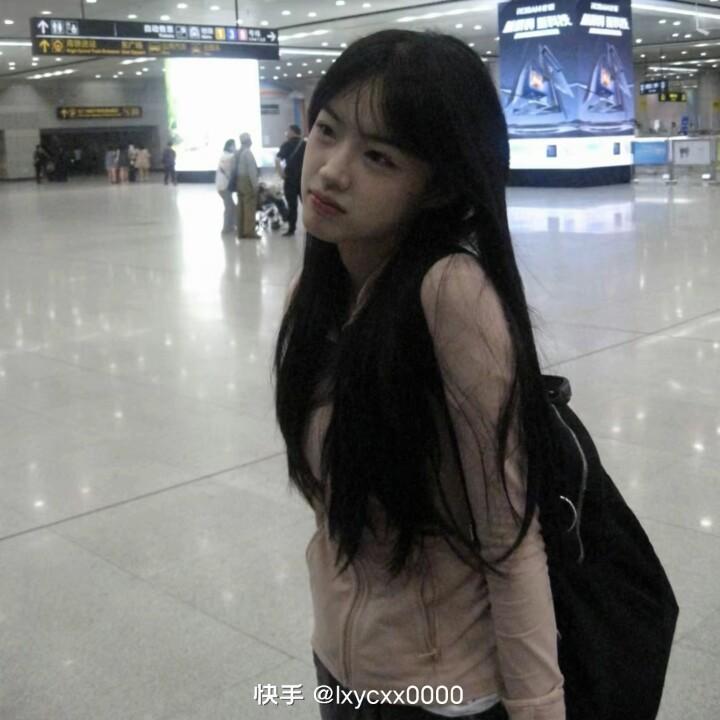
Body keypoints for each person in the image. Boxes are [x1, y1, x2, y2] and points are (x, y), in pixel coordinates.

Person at [274, 30, 565, 720]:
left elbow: (508, 537)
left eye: (378, 156)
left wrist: (539, 707)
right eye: (326, 130)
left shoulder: (449, 293)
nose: (330, 171)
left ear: (436, 188)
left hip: (441, 694)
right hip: (341, 669)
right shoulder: (316, 296)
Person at [275, 124, 306, 236]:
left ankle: (291, 229)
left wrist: (281, 173)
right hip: (303, 179)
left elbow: (277, 159)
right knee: (307, 205)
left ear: (292, 132)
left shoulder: (286, 145)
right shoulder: (305, 144)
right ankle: (312, 229)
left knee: (292, 206)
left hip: (290, 179)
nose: (286, 133)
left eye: (287, 131)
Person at [235, 132, 260, 239]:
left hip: (239, 181)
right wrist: (255, 186)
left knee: (240, 207)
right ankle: (249, 232)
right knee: (249, 206)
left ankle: (240, 231)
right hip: (247, 181)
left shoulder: (237, 152)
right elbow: (252, 171)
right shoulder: (247, 153)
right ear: (248, 141)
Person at [215, 138, 237, 235]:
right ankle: (226, 228)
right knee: (229, 207)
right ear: (230, 146)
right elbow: (232, 169)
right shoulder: (230, 157)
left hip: (221, 185)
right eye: (234, 146)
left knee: (230, 206)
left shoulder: (223, 155)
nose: (235, 148)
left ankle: (231, 226)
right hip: (225, 186)